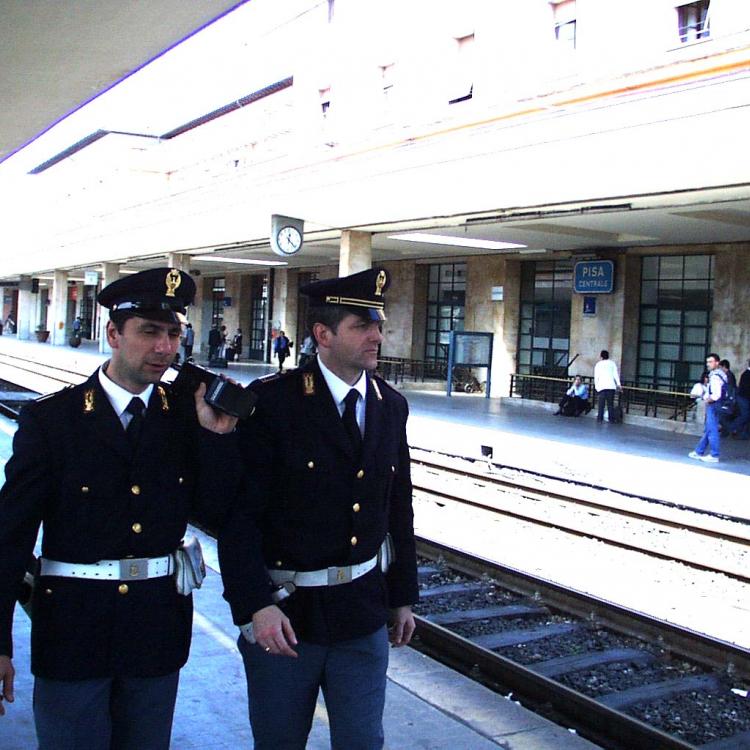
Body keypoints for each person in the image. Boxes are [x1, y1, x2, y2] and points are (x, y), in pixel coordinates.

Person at [0, 268, 240, 749]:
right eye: (149, 332)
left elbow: (218, 514)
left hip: (156, 632)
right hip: (72, 631)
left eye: (173, 334)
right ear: (113, 334)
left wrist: (218, 439)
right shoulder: (53, 420)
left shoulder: (185, 418)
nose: (164, 347)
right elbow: (10, 535)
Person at [218, 267, 418, 750]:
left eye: (378, 324)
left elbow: (399, 508)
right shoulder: (273, 403)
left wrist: (402, 596)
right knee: (280, 740)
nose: (377, 336)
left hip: (362, 613)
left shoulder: (390, 405)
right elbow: (238, 516)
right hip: (287, 618)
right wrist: (255, 605)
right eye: (361, 326)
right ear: (323, 335)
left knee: (363, 741)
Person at [689, 352, 727, 464]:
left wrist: (707, 400)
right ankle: (699, 451)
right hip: (718, 404)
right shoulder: (721, 374)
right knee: (709, 429)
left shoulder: (715, 376)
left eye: (710, 362)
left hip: (714, 404)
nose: (708, 364)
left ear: (717, 362)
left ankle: (714, 454)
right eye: (707, 362)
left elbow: (716, 395)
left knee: (712, 430)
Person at [594, 350, 621, 423]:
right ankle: (611, 419)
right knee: (610, 404)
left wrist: (596, 387)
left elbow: (596, 376)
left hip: (601, 386)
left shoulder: (598, 364)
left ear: (601, 356)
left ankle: (600, 419)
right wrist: (619, 384)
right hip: (611, 386)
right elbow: (616, 375)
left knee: (601, 405)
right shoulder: (612, 363)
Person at [728, 358, 750, 440]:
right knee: (745, 415)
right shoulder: (746, 374)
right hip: (743, 398)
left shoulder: (746, 374)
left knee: (746, 415)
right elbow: (746, 388)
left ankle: (743, 433)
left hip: (744, 397)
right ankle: (732, 427)